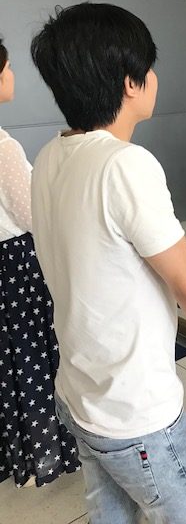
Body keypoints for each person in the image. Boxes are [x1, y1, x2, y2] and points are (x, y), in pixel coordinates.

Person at [30, 3, 186, 524]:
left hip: (81, 394)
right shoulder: (124, 165)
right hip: (137, 415)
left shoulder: (49, 156)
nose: (154, 78)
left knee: (111, 516)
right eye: (148, 68)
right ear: (130, 82)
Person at [0, 39, 79, 488]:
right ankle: (44, 451)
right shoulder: (4, 147)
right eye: (8, 67)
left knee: (8, 360)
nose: (12, 75)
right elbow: (31, 213)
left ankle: (17, 452)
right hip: (15, 265)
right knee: (31, 353)